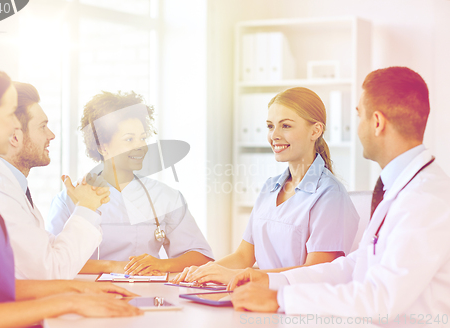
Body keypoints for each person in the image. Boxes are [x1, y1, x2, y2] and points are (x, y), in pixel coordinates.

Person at [228, 67, 450, 325]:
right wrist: (273, 281)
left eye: (359, 117)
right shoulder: (401, 188)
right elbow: (354, 265)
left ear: (377, 122)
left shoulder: (425, 199)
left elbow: (380, 299)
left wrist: (281, 299)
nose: (357, 129)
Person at [0, 64, 141, 328]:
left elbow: (0, 288)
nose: (15, 125)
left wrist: (79, 291)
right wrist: (69, 301)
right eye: (9, 114)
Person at [172, 87, 359, 285]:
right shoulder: (270, 187)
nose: (274, 135)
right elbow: (244, 257)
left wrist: (243, 277)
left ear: (315, 130)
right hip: (257, 297)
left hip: (299, 306)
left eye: (285, 126)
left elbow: (316, 273)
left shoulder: (330, 195)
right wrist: (201, 272)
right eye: (270, 126)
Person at [47, 91, 214, 275]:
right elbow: (53, 262)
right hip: (90, 297)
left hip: (149, 298)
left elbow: (201, 257)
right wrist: (112, 267)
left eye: (142, 138)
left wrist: (162, 265)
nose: (140, 146)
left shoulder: (166, 197)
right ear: (103, 147)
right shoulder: (68, 200)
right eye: (129, 139)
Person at [0, 81, 123, 280]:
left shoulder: (10, 186)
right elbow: (52, 272)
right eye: (43, 127)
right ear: (14, 137)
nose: (51, 135)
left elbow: (48, 251)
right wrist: (87, 207)